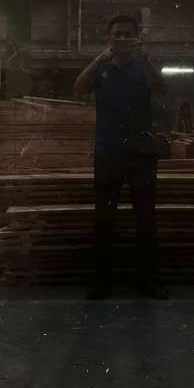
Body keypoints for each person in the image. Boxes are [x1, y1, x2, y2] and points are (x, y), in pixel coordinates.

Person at [73, 15, 167, 300]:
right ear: (109, 38)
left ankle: (148, 282)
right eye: (117, 34)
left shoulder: (143, 67)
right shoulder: (101, 68)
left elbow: (161, 89)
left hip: (141, 153)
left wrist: (146, 60)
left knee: (145, 219)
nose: (123, 38)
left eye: (128, 34)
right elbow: (79, 88)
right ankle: (101, 283)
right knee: (104, 220)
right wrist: (99, 58)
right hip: (108, 152)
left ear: (136, 38)